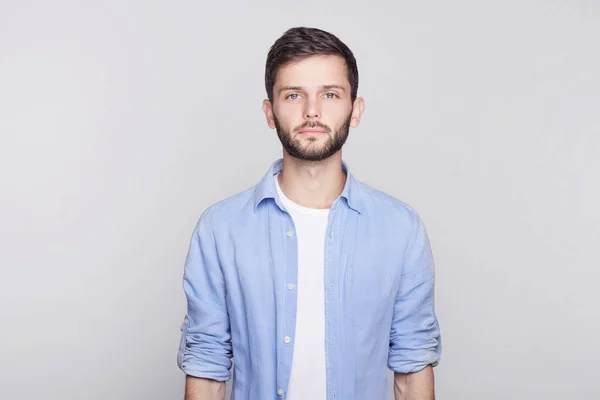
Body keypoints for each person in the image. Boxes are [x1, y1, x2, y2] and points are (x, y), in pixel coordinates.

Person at [178, 26, 442, 400]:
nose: (312, 111)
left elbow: (413, 367)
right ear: (270, 112)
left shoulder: (401, 229)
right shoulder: (220, 230)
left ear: (356, 109)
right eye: (293, 95)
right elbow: (206, 368)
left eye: (330, 94)